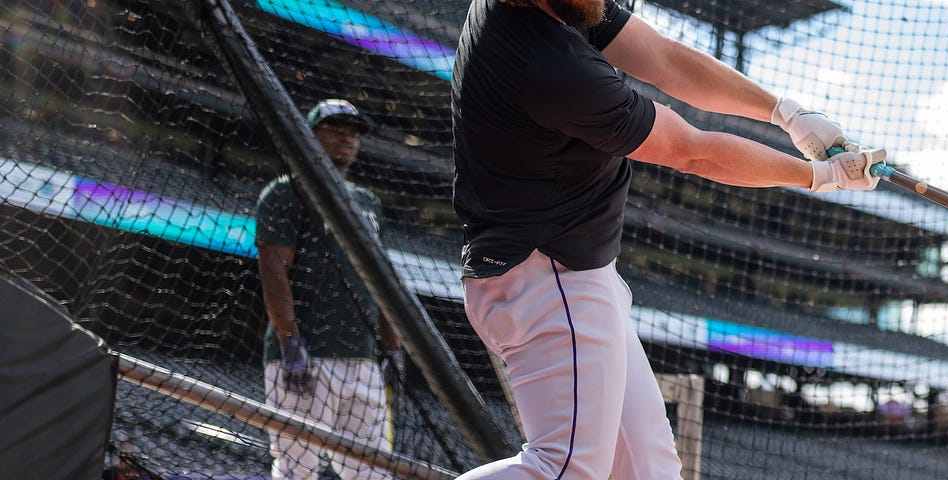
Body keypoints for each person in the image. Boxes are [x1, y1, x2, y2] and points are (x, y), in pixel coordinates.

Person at [450, 0, 885, 478]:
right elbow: (693, 152)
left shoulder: (546, 9)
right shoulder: (555, 66)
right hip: (549, 278)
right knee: (565, 470)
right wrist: (818, 175)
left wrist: (786, 113)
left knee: (649, 469)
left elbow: (664, 59)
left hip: (574, 276)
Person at [256, 99, 406, 480]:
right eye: (336, 128)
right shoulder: (285, 192)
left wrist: (392, 347)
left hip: (362, 360)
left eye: (353, 132)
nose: (347, 137)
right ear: (310, 135)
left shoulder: (368, 202)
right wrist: (290, 342)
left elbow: (383, 280)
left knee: (373, 473)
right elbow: (274, 271)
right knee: (297, 471)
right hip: (307, 357)